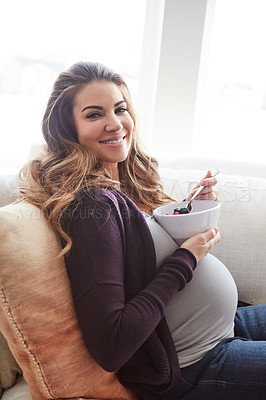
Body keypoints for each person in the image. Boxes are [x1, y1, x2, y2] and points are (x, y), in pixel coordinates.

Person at [20, 61, 266, 400]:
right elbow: (112, 344)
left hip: (225, 327)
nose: (115, 123)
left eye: (120, 109)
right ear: (67, 129)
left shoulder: (121, 186)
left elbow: (139, 258)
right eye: (94, 115)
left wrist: (188, 214)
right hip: (196, 364)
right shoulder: (92, 206)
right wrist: (186, 258)